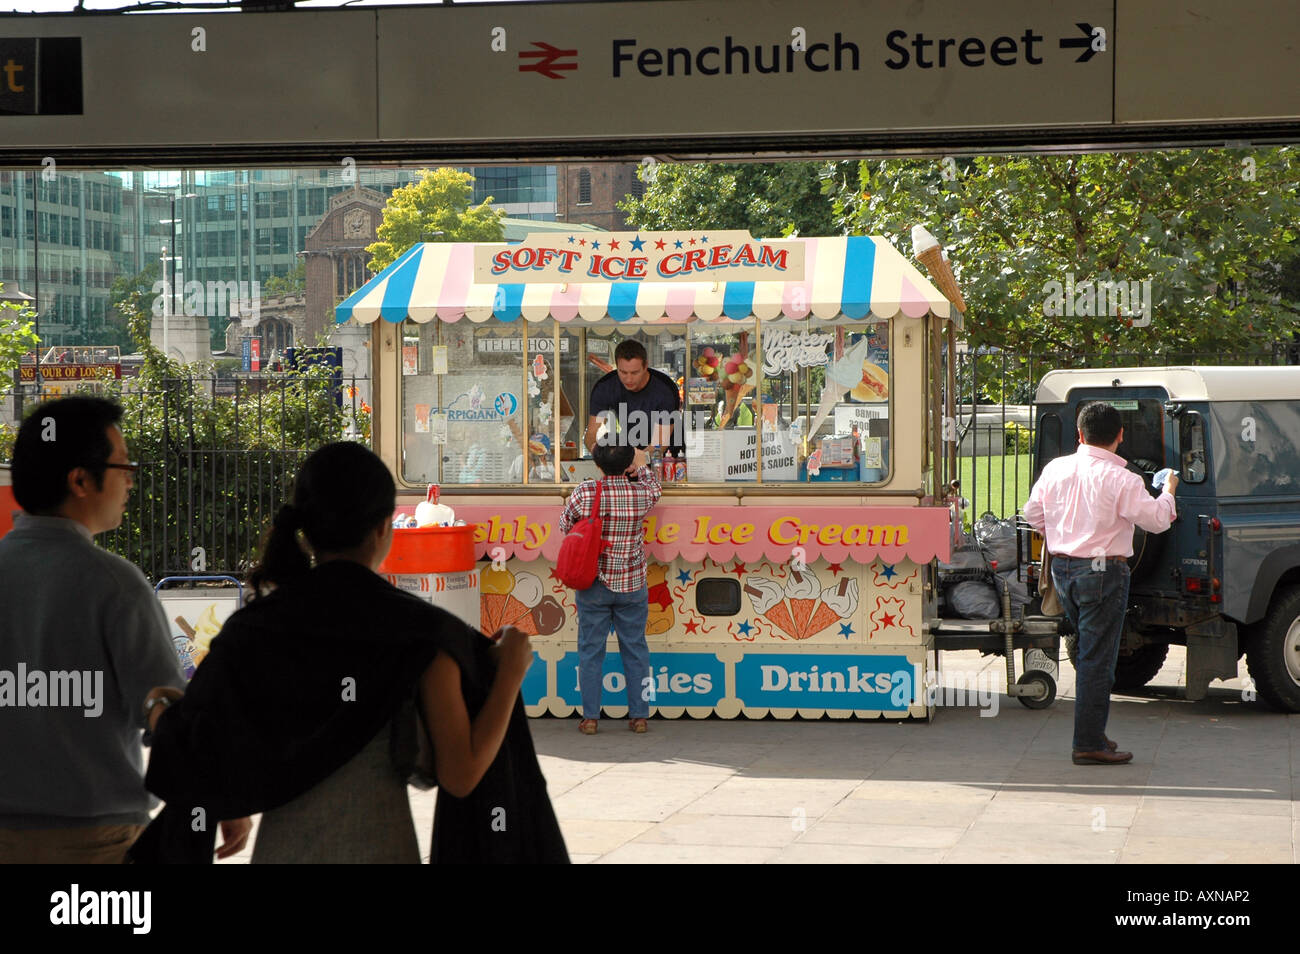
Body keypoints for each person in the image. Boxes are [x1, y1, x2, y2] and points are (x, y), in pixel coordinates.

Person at [133, 441, 568, 863]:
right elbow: (462, 774)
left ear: (305, 533)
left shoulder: (254, 630)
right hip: (382, 846)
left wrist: (156, 703)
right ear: (383, 528)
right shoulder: (422, 633)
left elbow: (194, 744)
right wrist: (510, 674)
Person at [0, 397, 238, 863]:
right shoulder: (114, 584)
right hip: (97, 844)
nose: (131, 478)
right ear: (81, 480)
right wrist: (214, 794)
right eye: (123, 465)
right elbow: (166, 713)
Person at [1023, 402, 1178, 765]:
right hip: (1103, 574)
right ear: (1120, 436)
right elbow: (1157, 520)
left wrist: (1061, 535)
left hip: (1064, 571)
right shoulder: (1123, 479)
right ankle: (1087, 742)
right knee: (1096, 660)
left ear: (1079, 434)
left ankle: (1093, 733)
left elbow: (1032, 513)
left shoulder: (1056, 469)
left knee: (1091, 653)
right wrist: (1169, 489)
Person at [560, 441, 662, 734]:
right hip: (631, 583)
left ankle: (591, 718)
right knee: (636, 649)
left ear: (598, 464)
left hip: (594, 583)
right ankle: (640, 716)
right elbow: (655, 488)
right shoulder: (641, 492)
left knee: (591, 651)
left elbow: (565, 525)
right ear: (628, 462)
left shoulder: (586, 492)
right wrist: (640, 467)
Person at [584, 339, 681, 454]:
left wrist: (637, 463)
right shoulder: (605, 387)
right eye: (623, 372)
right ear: (617, 366)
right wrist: (603, 458)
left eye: (635, 373)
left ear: (645, 366)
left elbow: (659, 444)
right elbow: (591, 434)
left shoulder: (664, 390)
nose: (628, 379)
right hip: (628, 452)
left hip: (667, 457)